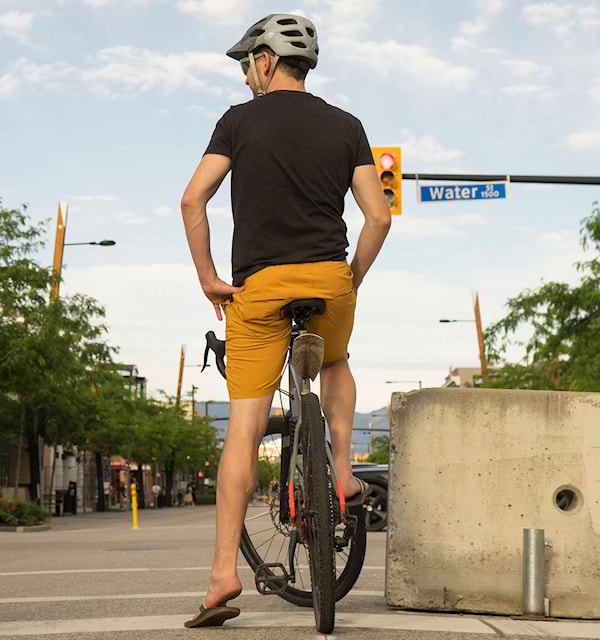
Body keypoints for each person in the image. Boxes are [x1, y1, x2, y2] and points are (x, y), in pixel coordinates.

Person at [180, 13, 392, 628]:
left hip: (258, 288)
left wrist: (208, 276)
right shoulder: (347, 125)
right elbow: (378, 216)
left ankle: (223, 574)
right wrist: (351, 275)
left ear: (266, 61)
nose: (246, 75)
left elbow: (194, 199)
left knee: (242, 433)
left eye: (248, 63)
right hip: (328, 280)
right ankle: (345, 471)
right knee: (335, 359)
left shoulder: (237, 121)